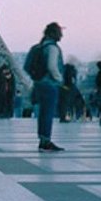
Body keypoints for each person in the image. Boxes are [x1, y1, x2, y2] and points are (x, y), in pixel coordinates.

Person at [30, 21, 66, 152]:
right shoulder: (52, 48)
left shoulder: (39, 47)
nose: (61, 36)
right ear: (53, 33)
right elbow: (52, 66)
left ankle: (43, 139)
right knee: (48, 113)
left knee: (43, 113)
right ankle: (46, 142)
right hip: (49, 84)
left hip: (39, 83)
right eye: (60, 33)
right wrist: (59, 79)